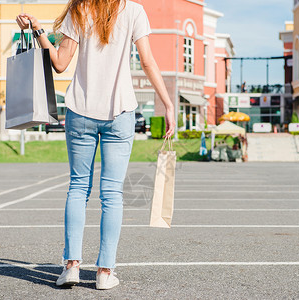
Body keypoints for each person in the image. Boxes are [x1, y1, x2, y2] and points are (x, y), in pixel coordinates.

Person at [16, 0, 175, 290]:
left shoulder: (79, 9)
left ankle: (72, 267)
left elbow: (60, 64)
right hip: (120, 111)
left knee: (78, 188)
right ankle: (104, 272)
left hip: (81, 111)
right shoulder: (134, 10)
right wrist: (167, 103)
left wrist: (38, 30)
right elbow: (148, 61)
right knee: (112, 193)